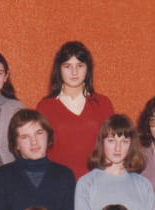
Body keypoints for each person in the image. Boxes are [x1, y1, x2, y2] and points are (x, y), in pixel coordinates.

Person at [75, 114, 155, 210]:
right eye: (111, 141)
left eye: (124, 141)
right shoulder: (86, 184)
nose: (118, 148)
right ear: (102, 142)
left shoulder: (143, 185)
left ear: (131, 145)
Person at [36, 41, 114, 179]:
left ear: (88, 68)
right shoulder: (45, 107)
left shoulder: (103, 103)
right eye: (67, 66)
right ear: (59, 69)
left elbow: (113, 147)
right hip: (58, 182)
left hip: (97, 181)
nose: (74, 72)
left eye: (80, 66)